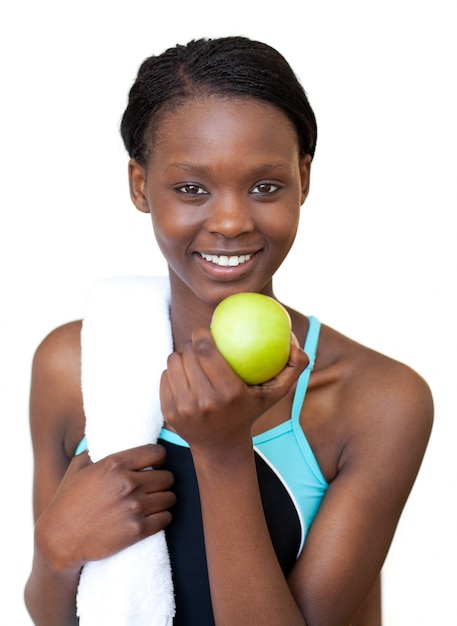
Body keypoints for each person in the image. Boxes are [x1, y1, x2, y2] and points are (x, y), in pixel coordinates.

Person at [24, 36, 433, 626]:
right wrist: (56, 551)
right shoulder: (75, 365)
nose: (232, 221)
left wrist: (223, 453)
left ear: (304, 179)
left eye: (266, 186)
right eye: (191, 188)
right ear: (140, 186)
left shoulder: (377, 402)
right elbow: (54, 615)